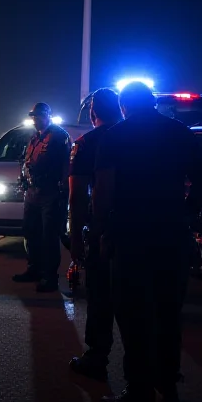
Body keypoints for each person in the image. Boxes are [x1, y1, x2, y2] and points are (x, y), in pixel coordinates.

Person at [92, 81, 202, 402]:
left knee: (133, 314)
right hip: (172, 235)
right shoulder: (180, 133)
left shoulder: (115, 137)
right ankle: (168, 384)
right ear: (152, 103)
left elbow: (103, 192)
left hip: (131, 234)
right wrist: (187, 211)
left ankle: (139, 393)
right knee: (167, 311)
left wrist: (98, 233)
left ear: (123, 107)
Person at [67, 88, 123, 381]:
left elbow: (77, 196)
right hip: (138, 231)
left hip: (102, 231)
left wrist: (76, 236)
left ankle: (97, 356)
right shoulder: (136, 138)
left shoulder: (87, 142)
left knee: (100, 296)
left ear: (93, 113)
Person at [12, 102, 71, 292]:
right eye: (34, 116)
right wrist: (23, 180)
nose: (36, 119)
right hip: (33, 193)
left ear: (47, 116)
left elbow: (66, 165)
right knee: (31, 232)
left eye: (39, 116)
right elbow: (26, 161)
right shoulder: (35, 138)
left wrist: (63, 191)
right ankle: (34, 270)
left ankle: (50, 277)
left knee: (49, 237)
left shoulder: (59, 136)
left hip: (50, 193)